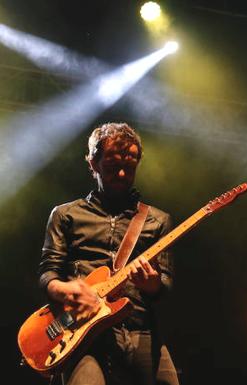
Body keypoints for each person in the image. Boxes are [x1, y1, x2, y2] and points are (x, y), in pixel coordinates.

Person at [38, 122, 179, 385]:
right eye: (113, 167)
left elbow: (165, 284)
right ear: (92, 163)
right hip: (83, 332)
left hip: (139, 329)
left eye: (130, 167)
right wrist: (66, 290)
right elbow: (48, 273)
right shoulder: (66, 214)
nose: (123, 174)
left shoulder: (158, 221)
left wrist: (151, 284)